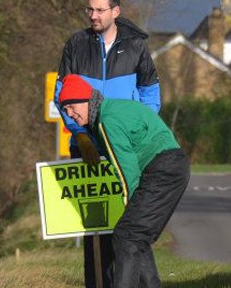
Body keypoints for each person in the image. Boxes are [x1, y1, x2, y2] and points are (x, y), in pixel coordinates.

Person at [53, 0, 161, 287]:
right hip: (87, 147)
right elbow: (61, 96)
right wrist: (80, 133)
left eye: (100, 10)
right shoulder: (76, 44)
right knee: (95, 230)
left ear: (116, 11)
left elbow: (150, 95)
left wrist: (139, 134)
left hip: (126, 146)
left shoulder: (136, 46)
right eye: (90, 9)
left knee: (131, 221)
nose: (94, 16)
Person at [58, 74, 188, 288]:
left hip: (162, 169)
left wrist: (130, 201)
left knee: (126, 237)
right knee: (136, 237)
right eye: (65, 111)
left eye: (72, 107)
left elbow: (125, 167)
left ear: (86, 99)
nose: (70, 115)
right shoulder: (114, 109)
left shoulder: (107, 121)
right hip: (171, 166)